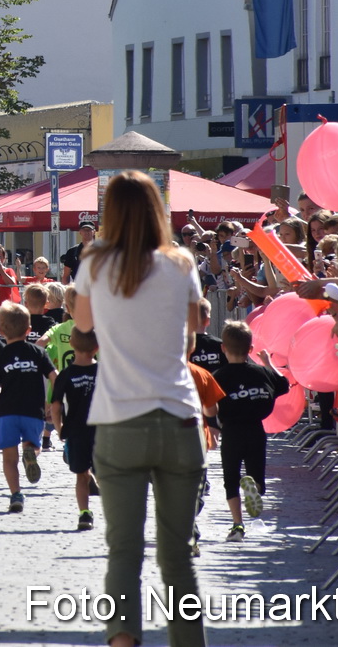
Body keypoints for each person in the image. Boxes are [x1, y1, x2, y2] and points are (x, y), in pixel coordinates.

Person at [70, 169, 207, 647]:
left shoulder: (95, 261)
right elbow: (191, 337)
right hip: (177, 414)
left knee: (123, 551)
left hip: (119, 414)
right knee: (177, 557)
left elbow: (83, 325)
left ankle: (123, 638)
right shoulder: (181, 263)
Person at [212, 321, 290, 541]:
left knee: (230, 479)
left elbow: (208, 403)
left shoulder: (218, 376)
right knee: (256, 475)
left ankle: (238, 525)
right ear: (250, 349)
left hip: (231, 432)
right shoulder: (261, 373)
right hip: (256, 430)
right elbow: (283, 385)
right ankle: (254, 486)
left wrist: (211, 426)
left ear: (223, 348)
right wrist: (267, 362)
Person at [0, 301, 55, 513]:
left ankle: (16, 494)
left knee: (9, 457)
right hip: (34, 410)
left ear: (1, 330)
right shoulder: (37, 353)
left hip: (7, 412)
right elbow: (54, 376)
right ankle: (30, 452)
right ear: (29, 330)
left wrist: (0, 398)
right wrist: (53, 401)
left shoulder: (0, 355)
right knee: (34, 444)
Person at [48, 327, 100, 531]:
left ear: (71, 345)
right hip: (102, 430)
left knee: (81, 474)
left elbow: (56, 406)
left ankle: (84, 513)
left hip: (76, 430)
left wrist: (59, 428)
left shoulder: (66, 374)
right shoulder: (104, 371)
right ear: (97, 347)